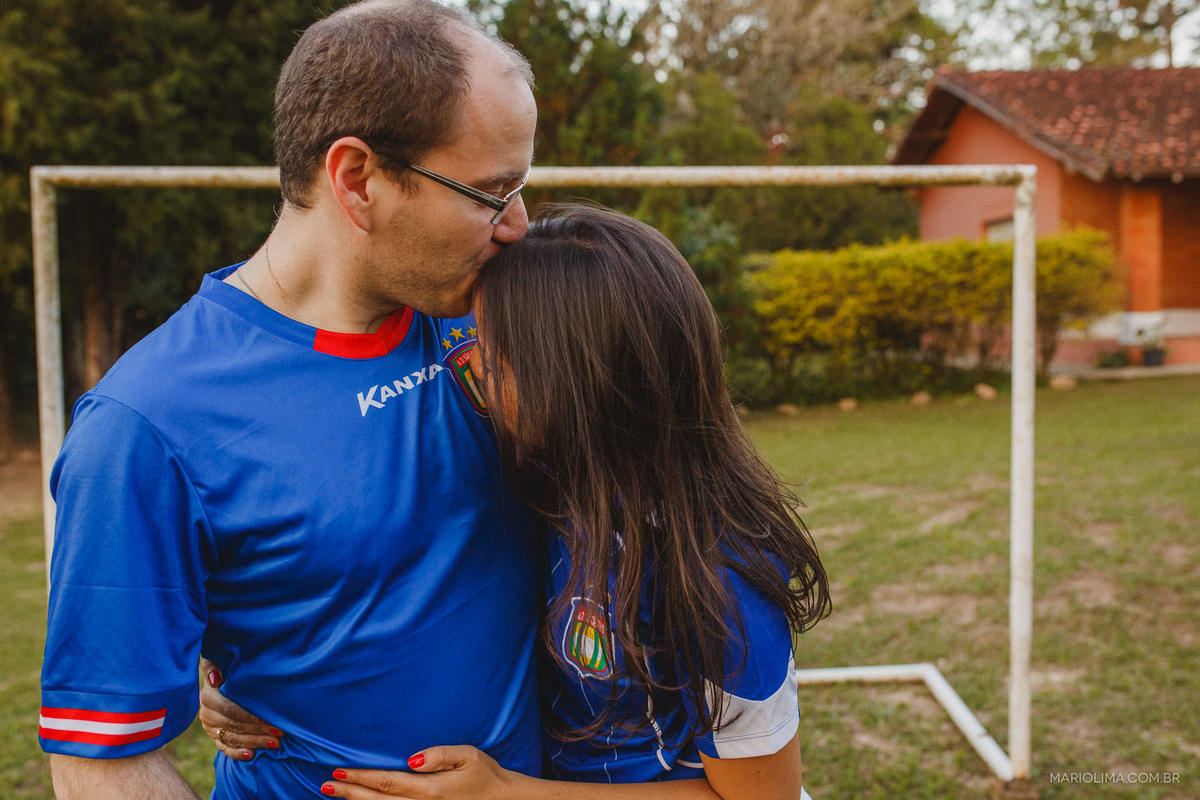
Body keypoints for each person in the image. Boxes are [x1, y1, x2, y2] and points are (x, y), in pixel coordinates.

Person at [38, 1, 541, 798]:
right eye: (489, 190)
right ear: (358, 180)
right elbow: (106, 765)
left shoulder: (503, 319)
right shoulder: (147, 426)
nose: (519, 223)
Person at [199, 204, 832, 800]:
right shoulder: (551, 478)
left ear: (578, 388)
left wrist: (509, 794)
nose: (473, 371)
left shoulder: (719, 575)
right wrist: (256, 673)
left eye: (496, 360)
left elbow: (761, 795)